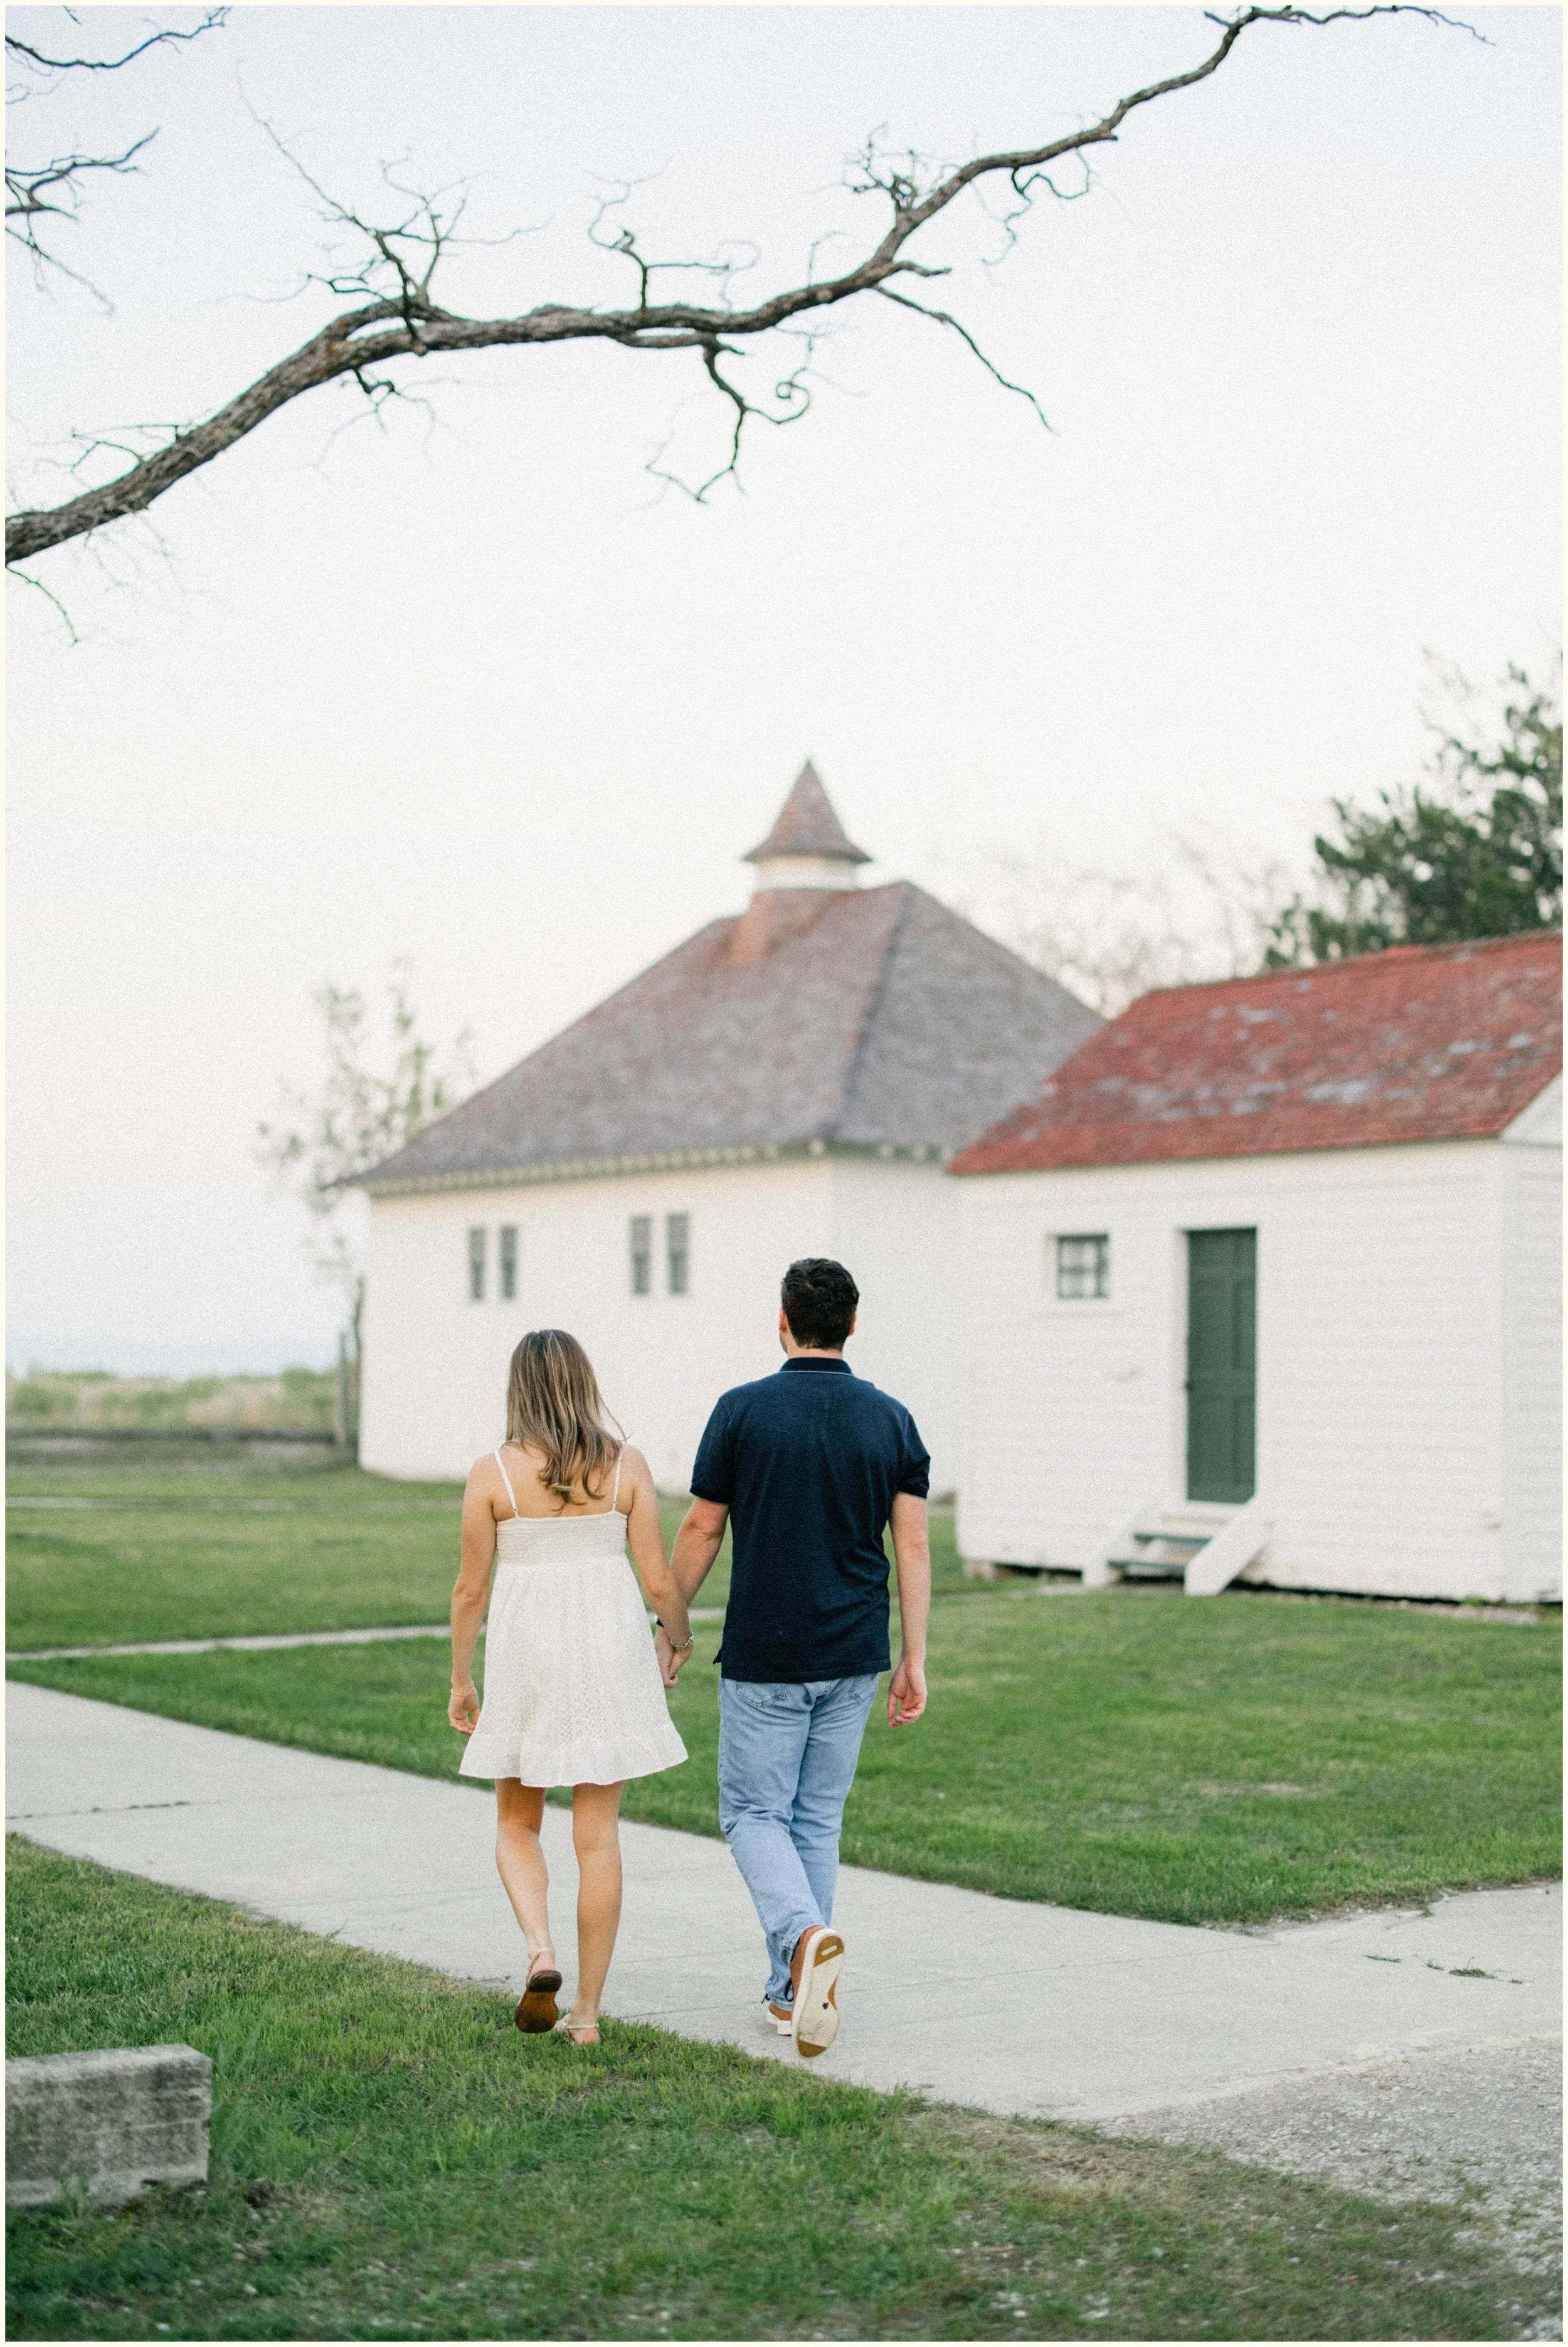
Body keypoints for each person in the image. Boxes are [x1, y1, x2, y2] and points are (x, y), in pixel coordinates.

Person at [664, 1258, 930, 2059]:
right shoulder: (892, 1420)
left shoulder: (741, 1410)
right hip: (854, 1652)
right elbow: (912, 1546)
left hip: (766, 1652)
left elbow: (702, 1527)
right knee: (814, 1819)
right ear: (852, 1324)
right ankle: (792, 1992)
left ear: (782, 1321)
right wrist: (914, 1656)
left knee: (753, 1815)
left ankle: (803, 1937)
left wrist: (670, 1627)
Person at [449, 1327, 692, 2045]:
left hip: (526, 1655)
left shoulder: (491, 1474)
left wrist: (461, 1678)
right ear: (584, 1382)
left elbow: (469, 1591)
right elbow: (658, 1579)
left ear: (517, 1389)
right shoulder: (625, 1466)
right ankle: (585, 2014)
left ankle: (540, 1951)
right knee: (597, 1838)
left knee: (517, 1823)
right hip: (608, 1652)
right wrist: (678, 1639)